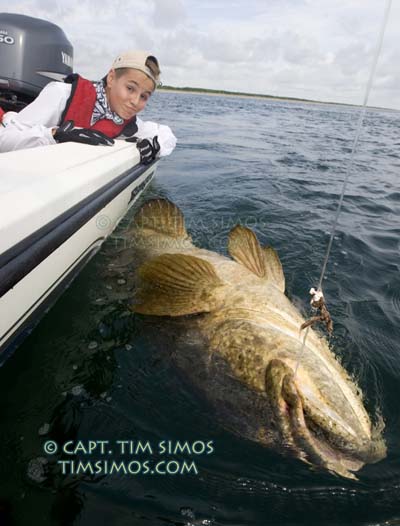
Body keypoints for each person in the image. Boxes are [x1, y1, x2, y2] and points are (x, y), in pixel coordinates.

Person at [0, 50, 176, 163]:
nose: (135, 101)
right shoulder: (61, 94)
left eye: (144, 96)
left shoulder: (130, 124)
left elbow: (166, 135)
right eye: (130, 88)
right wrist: (54, 134)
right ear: (112, 78)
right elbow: (4, 139)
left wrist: (156, 146)